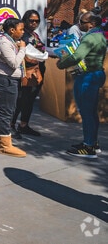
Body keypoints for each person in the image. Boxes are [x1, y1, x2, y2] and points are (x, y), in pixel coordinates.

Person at [57, 8, 107, 158]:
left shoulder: (90, 38)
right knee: (91, 112)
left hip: (88, 77)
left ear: (91, 24)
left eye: (82, 22)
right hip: (96, 74)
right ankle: (92, 142)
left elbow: (78, 56)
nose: (79, 25)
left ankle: (88, 146)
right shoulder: (99, 35)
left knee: (86, 112)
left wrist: (61, 63)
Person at [0, 18, 27, 158]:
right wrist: (23, 49)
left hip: (9, 80)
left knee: (6, 109)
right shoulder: (4, 42)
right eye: (21, 29)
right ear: (12, 30)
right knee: (6, 111)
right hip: (4, 80)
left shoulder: (9, 41)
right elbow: (14, 63)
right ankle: (5, 144)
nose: (23, 32)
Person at [12, 10, 46, 137]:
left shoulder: (34, 35)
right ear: (25, 20)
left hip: (36, 71)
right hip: (26, 72)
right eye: (31, 20)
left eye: (37, 21)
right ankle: (11, 125)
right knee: (20, 100)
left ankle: (24, 125)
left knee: (30, 100)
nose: (34, 23)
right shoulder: (22, 34)